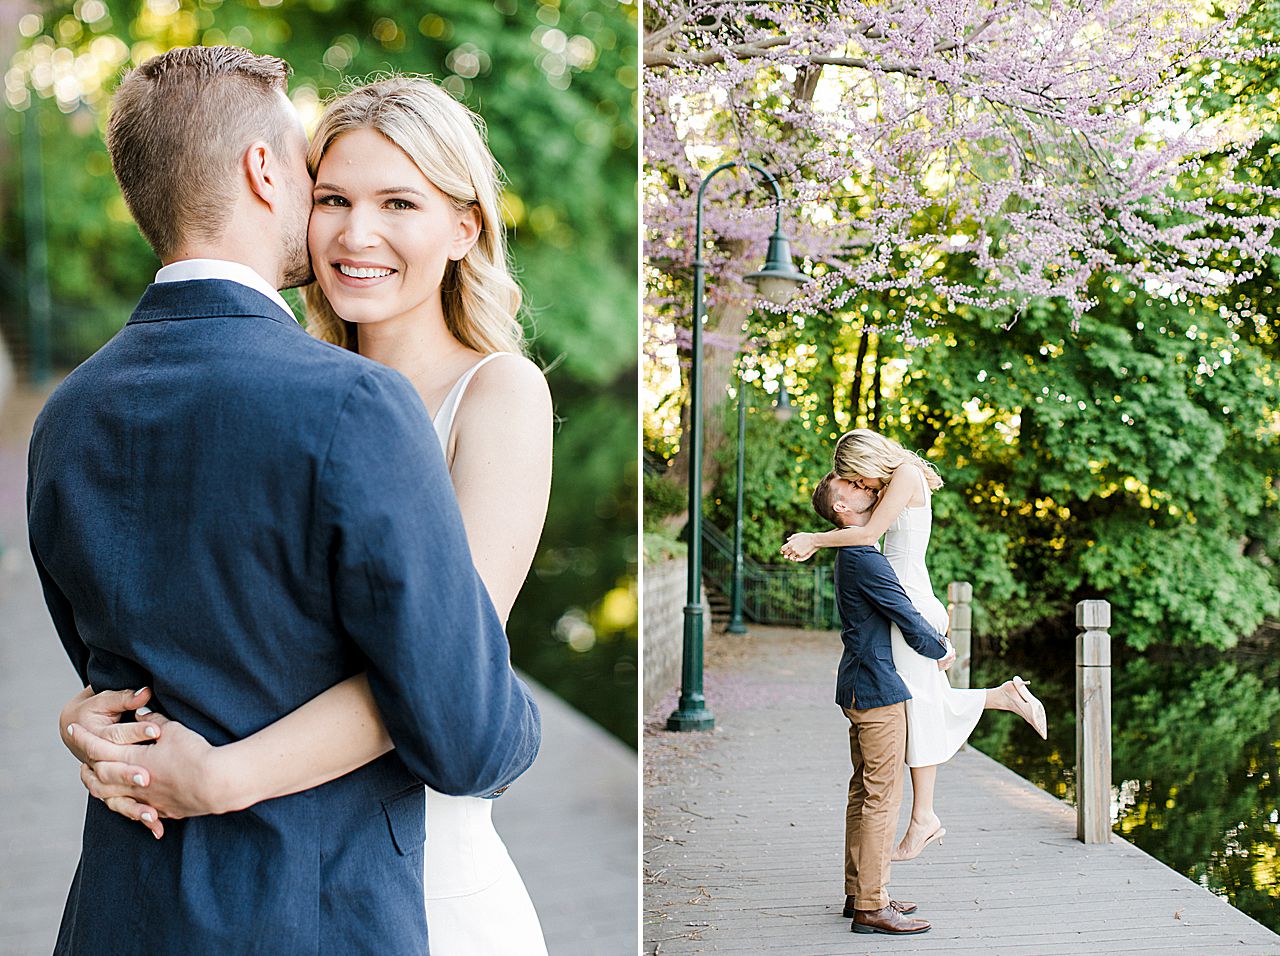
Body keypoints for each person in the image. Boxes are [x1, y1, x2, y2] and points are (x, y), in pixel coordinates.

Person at [30, 48, 540, 954]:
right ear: (279, 183)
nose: (352, 233)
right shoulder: (323, 393)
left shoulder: (496, 394)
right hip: (297, 894)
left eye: (398, 203)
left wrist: (221, 774)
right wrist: (97, 716)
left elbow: (446, 683)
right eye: (333, 196)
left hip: (414, 877)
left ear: (465, 228)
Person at [786, 430, 1048, 862]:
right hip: (905, 595)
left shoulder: (905, 475)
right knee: (925, 700)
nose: (861, 486)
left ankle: (924, 816)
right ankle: (1001, 698)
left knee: (922, 706)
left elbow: (866, 533)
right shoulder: (899, 480)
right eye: (853, 482)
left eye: (857, 477)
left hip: (906, 599)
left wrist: (813, 539)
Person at [817, 473, 951, 936]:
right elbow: (907, 616)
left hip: (860, 682)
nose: (868, 490)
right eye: (853, 487)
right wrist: (943, 650)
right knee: (881, 796)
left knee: (864, 791)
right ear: (842, 508)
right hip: (875, 688)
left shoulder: (853, 554)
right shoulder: (864, 557)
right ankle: (872, 905)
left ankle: (860, 892)